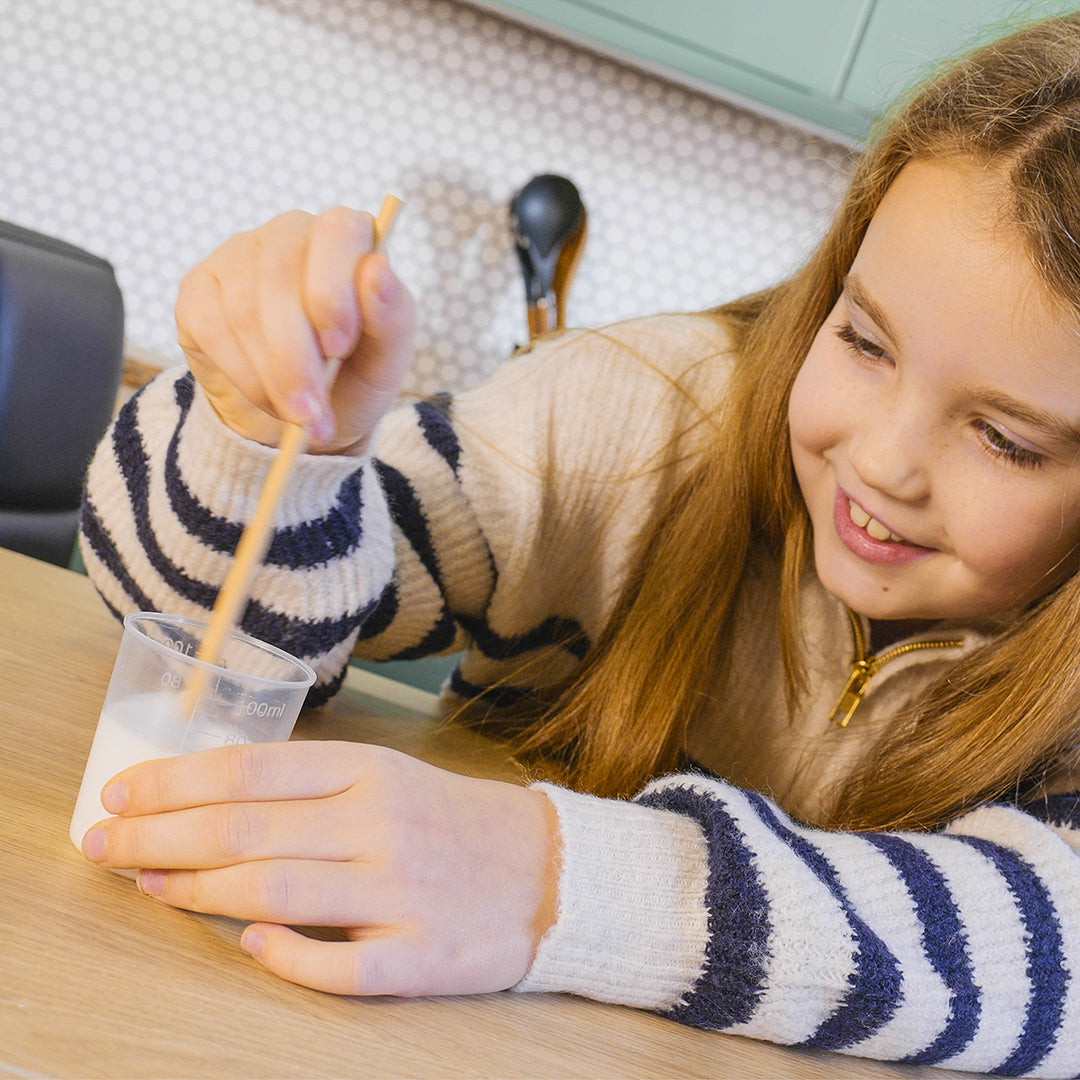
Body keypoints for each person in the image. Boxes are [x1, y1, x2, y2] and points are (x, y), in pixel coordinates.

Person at [76, 12, 1080, 1076]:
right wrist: (262, 437)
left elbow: (1051, 964)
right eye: (864, 339)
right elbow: (230, 641)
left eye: (1003, 439)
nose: (882, 461)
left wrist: (555, 881)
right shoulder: (648, 419)